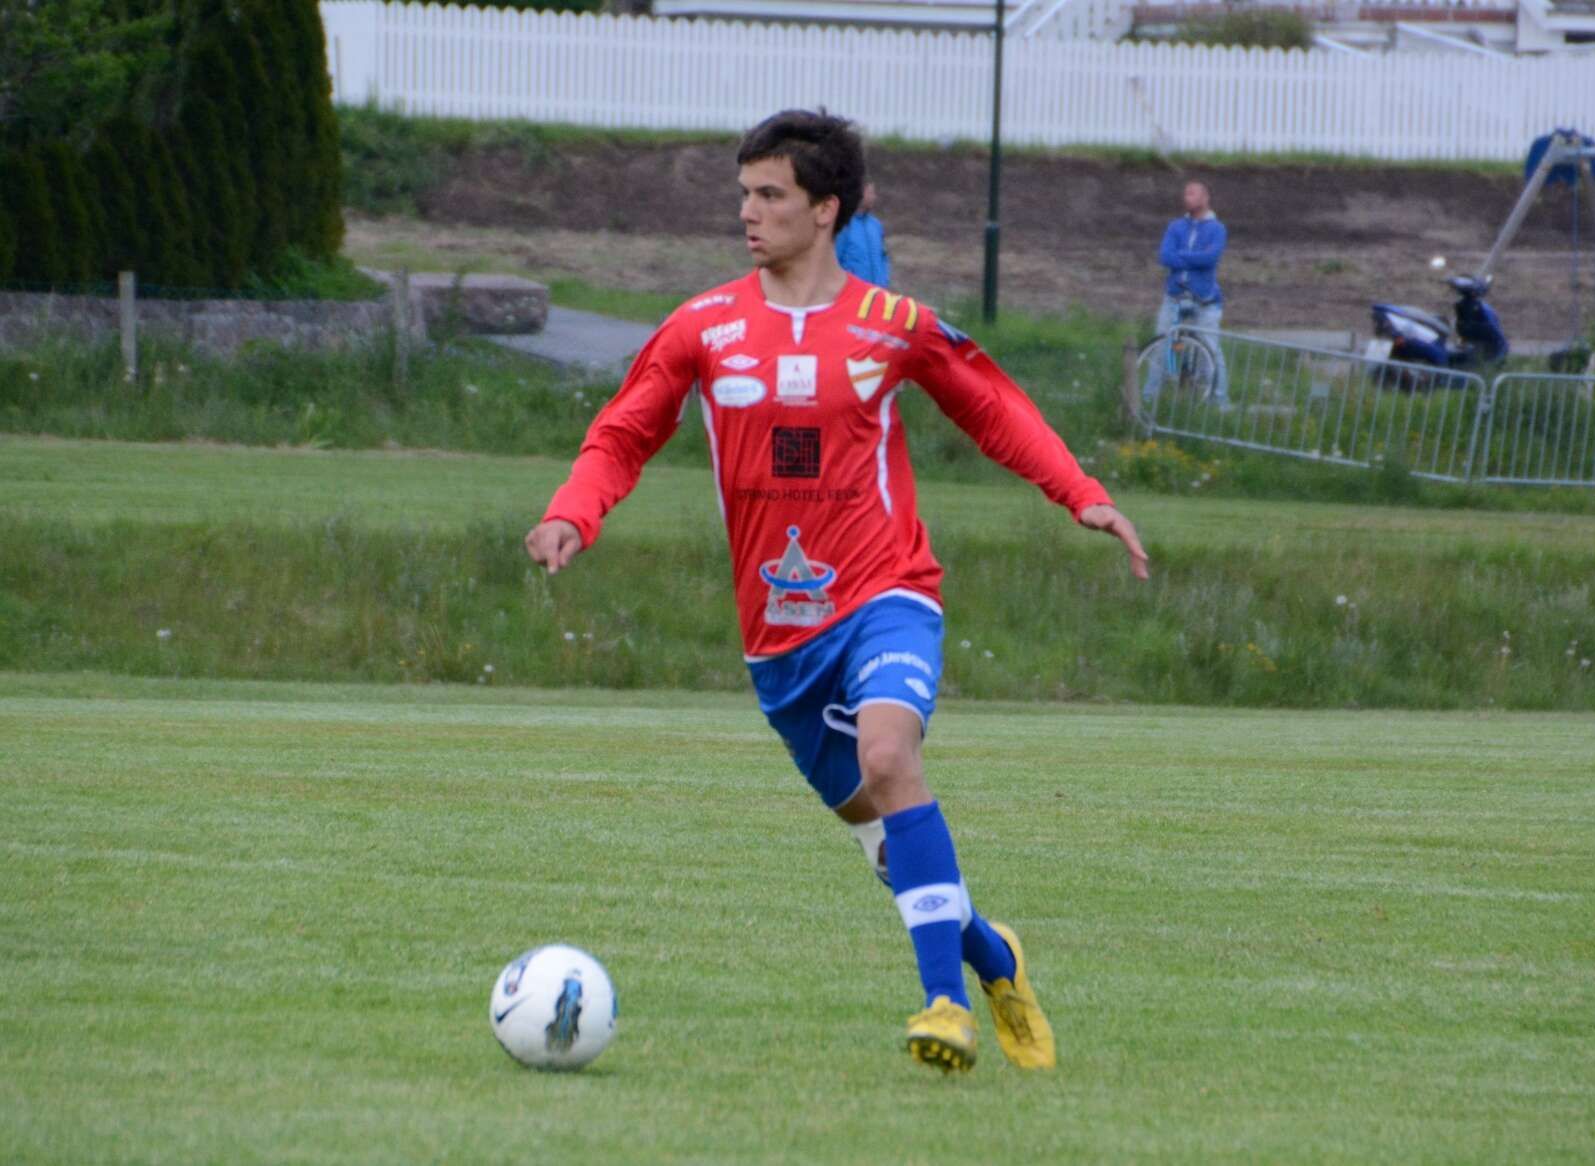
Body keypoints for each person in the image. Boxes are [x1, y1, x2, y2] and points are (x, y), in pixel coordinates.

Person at [524, 109, 1148, 1075]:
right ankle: (993, 958)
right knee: (890, 846)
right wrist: (574, 511)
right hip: (780, 642)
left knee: (891, 755)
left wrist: (1082, 493)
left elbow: (993, 406)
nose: (748, 212)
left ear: (826, 209)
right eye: (745, 193)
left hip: (887, 592)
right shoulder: (702, 327)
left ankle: (945, 1007)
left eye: (770, 195)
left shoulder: (894, 325)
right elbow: (624, 433)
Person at [1144, 179, 1229, 405]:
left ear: (1205, 197)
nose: (1186, 198)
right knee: (1162, 347)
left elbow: (1210, 259)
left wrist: (1180, 256)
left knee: (1210, 351)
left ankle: (1219, 402)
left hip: (1205, 300)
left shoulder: (1217, 229)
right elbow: (1165, 256)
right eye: (1185, 194)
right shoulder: (1176, 227)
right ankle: (1149, 399)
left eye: (1192, 194)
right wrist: (1194, 259)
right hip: (1174, 297)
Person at [834, 180, 889, 287]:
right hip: (852, 292)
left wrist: (884, 280)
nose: (874, 197)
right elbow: (835, 258)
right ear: (860, 193)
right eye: (871, 193)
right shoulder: (844, 224)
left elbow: (883, 256)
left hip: (877, 292)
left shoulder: (875, 225)